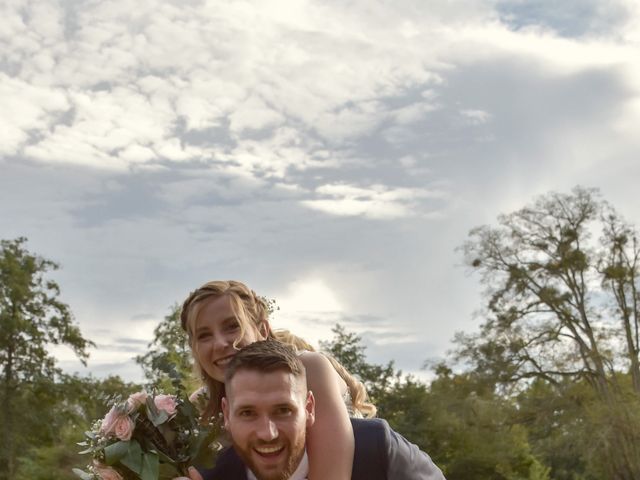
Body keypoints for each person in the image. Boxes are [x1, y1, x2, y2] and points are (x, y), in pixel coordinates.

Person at [180, 280, 375, 480]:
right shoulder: (200, 405)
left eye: (232, 327)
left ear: (262, 330)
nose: (220, 343)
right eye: (204, 336)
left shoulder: (310, 370)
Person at [179, 340, 446, 480]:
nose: (267, 433)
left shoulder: (378, 449)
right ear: (226, 415)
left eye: (283, 410)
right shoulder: (215, 475)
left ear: (309, 408)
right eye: (247, 413)